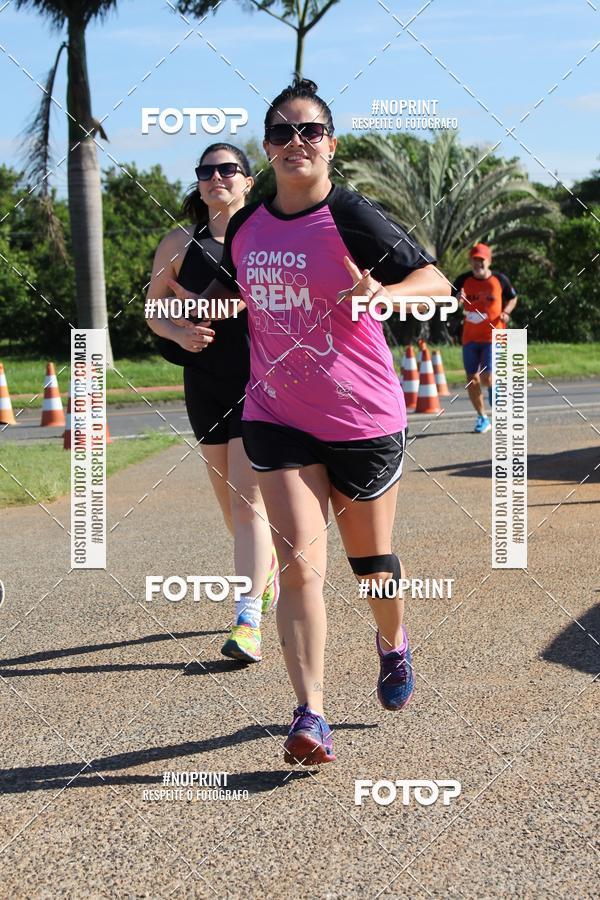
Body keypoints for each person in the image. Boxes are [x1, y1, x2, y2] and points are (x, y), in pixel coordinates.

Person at [167, 78, 450, 765]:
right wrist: (174, 319)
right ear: (268, 148)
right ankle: (309, 713)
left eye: (310, 131)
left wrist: (383, 294)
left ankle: (393, 641)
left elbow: (437, 283)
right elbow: (233, 301)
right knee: (297, 564)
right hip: (275, 414)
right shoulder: (248, 228)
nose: (297, 142)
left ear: (331, 144)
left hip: (362, 417)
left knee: (371, 567)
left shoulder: (352, 216)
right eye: (282, 132)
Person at [145, 143, 279, 664]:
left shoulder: (266, 236)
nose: (216, 177)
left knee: (248, 502)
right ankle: (264, 572)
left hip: (258, 380)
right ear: (199, 183)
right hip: (204, 383)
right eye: (207, 171)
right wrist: (178, 332)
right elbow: (155, 310)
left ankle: (248, 622)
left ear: (248, 181)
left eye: (228, 169)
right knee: (230, 505)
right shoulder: (179, 242)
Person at [454, 243, 518, 433]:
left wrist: (506, 312)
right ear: (470, 262)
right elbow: (451, 303)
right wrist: (456, 299)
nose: (478, 264)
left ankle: (494, 387)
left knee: (486, 377)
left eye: (481, 260)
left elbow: (513, 297)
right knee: (471, 379)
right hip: (470, 338)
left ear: (489, 261)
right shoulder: (463, 280)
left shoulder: (500, 280)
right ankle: (482, 417)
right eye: (474, 260)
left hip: (493, 336)